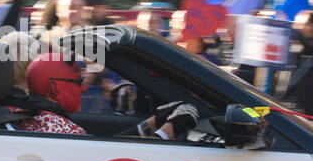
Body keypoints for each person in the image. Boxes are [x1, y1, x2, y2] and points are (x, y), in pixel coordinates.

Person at [17, 53, 200, 140]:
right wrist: (170, 129)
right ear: (55, 88)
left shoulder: (40, 118)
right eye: (77, 81)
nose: (84, 88)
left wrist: (153, 121)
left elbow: (108, 146)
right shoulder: (57, 128)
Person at [274, 10, 313, 117]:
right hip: (298, 104)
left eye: (307, 24)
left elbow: (311, 45)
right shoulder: (301, 49)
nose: (302, 28)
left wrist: (296, 33)